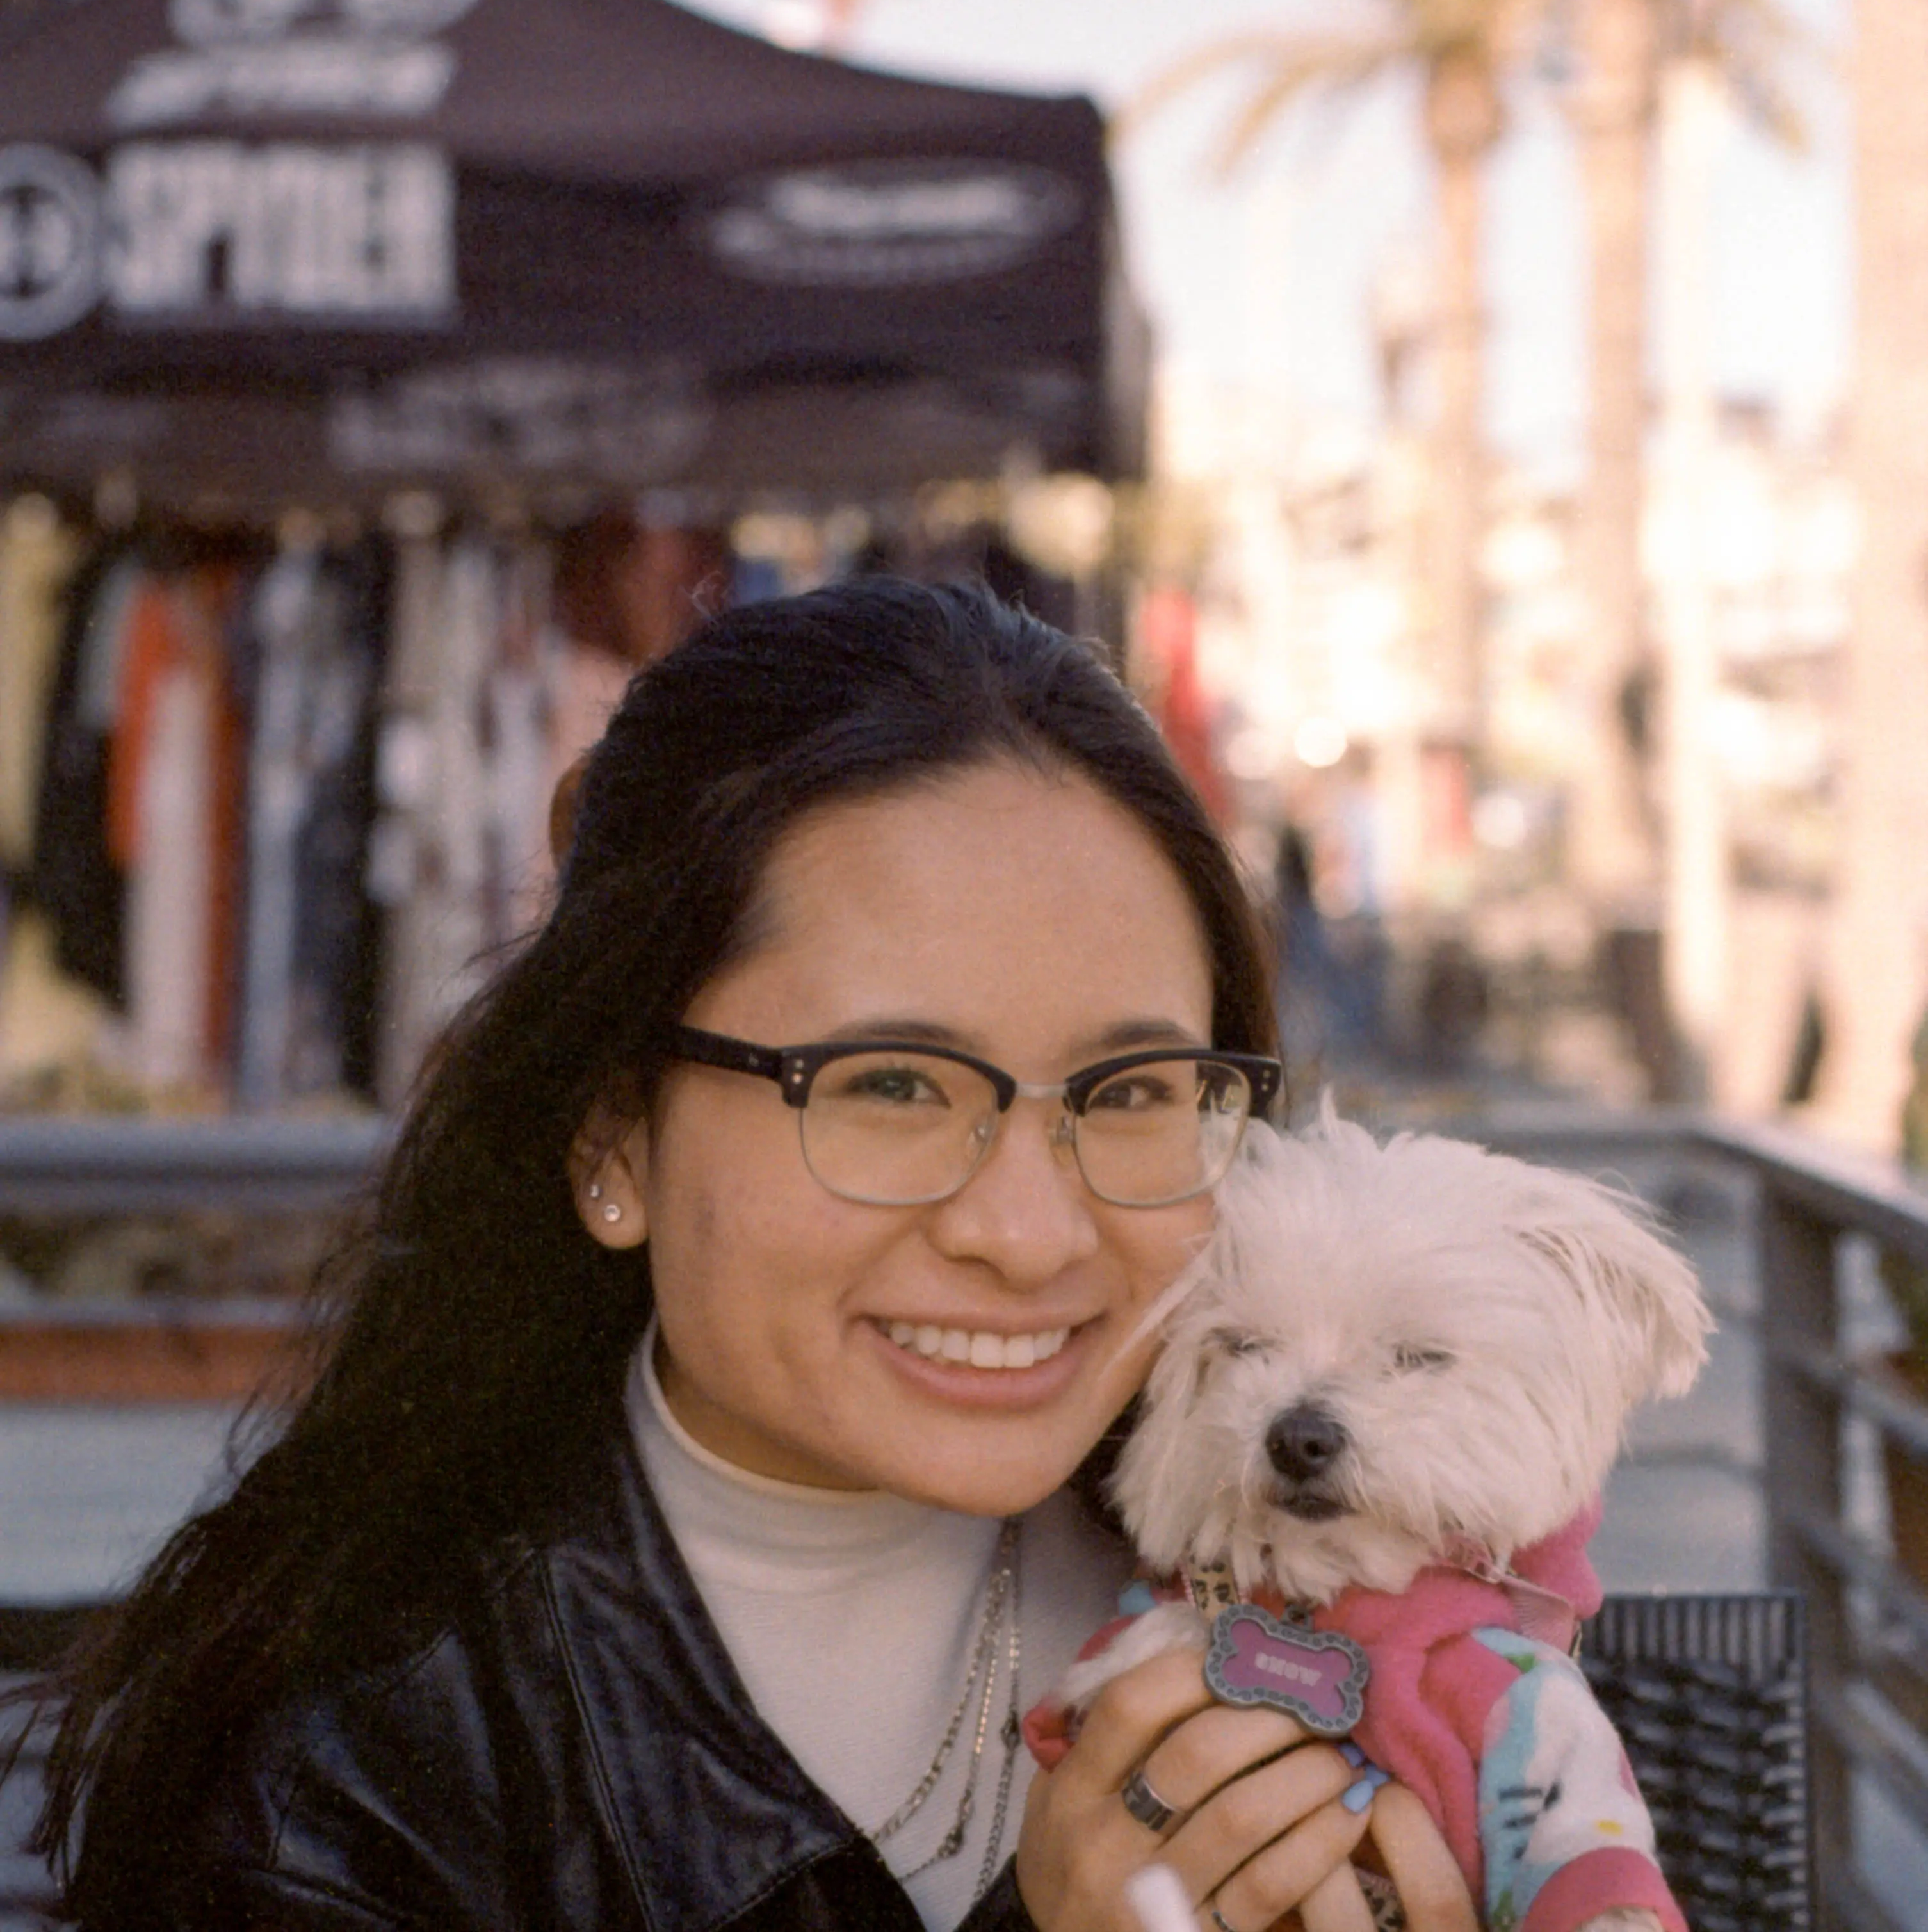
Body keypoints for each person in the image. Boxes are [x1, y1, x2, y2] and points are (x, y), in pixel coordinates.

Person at [30, 579, 1475, 1932]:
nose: (1030, 1233)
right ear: (614, 1138)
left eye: (1133, 1090)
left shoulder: (1371, 1583)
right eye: (892, 1085)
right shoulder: (352, 1778)